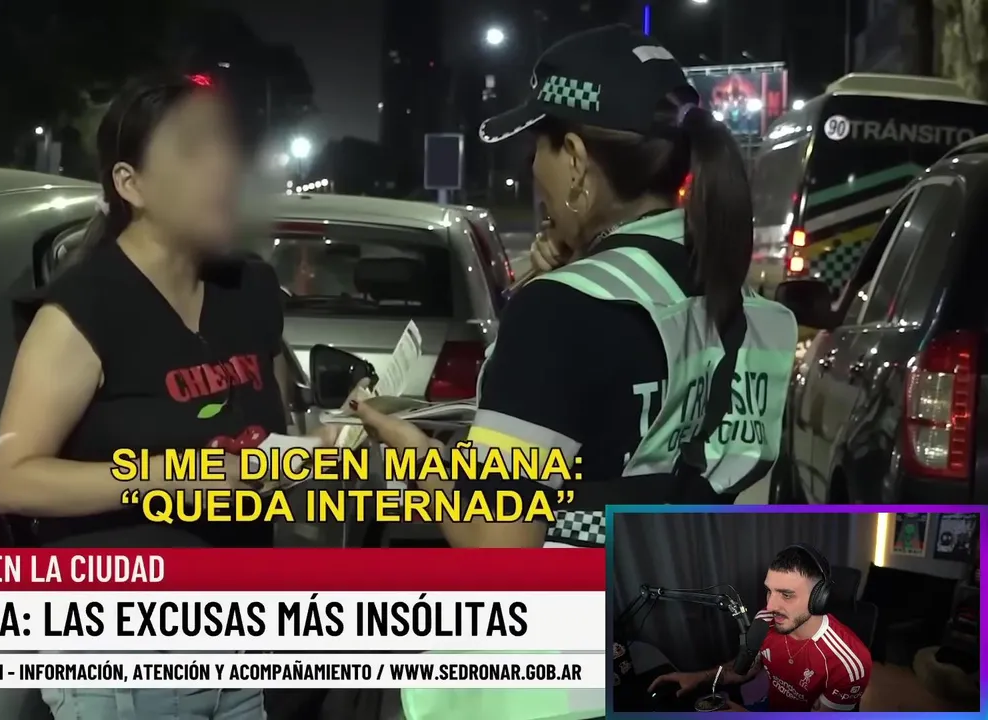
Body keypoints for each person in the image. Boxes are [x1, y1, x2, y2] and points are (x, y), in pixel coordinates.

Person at [349, 24, 799, 553]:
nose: (532, 170)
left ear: (576, 158)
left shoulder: (559, 311)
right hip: (698, 593)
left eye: (536, 149)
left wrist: (416, 459)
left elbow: (498, 551)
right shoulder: (731, 294)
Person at [0, 71, 310, 720]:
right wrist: (172, 478)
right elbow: (11, 481)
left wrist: (309, 457)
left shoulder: (249, 290)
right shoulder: (84, 309)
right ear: (130, 184)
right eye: (191, 150)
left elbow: (267, 439)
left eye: (225, 146)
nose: (222, 167)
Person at [649, 545, 873, 711]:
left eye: (786, 595)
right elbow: (743, 669)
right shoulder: (765, 620)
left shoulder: (849, 662)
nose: (770, 606)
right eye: (769, 591)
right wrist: (700, 677)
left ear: (819, 600)